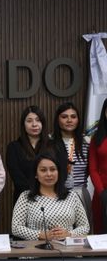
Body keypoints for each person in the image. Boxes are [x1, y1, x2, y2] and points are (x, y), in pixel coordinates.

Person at [12, 153, 89, 240]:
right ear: (36, 174)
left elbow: (85, 226)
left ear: (58, 172)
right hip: (37, 247)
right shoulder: (25, 197)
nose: (49, 174)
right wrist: (41, 235)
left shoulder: (72, 196)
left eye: (53, 169)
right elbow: (16, 227)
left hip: (68, 246)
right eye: (43, 170)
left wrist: (69, 234)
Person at [52, 102, 91, 228]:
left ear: (78, 120)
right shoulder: (50, 142)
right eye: (64, 117)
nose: (69, 120)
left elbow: (91, 169)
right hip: (56, 194)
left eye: (73, 117)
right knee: (59, 232)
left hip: (80, 192)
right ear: (58, 119)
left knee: (82, 231)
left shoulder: (87, 142)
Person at [6, 106, 50, 206]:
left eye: (38, 120)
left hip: (50, 198)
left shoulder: (53, 145)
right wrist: (36, 193)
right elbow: (17, 177)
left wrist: (46, 192)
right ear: (23, 124)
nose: (34, 124)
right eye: (29, 121)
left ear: (42, 123)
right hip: (24, 199)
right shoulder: (14, 147)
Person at [90, 98, 107, 233]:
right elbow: (93, 169)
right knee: (101, 232)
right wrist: (101, 192)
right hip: (102, 193)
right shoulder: (97, 137)